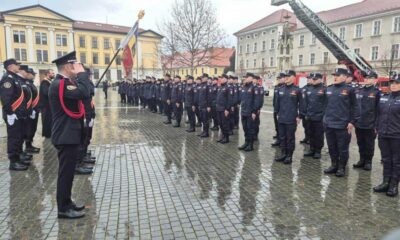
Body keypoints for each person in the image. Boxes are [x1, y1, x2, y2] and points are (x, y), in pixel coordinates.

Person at [48, 51, 91, 219]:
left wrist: (80, 77)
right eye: (75, 65)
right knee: (65, 173)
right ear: (67, 66)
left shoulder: (65, 82)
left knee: (69, 172)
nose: (78, 67)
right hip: (65, 135)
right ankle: (63, 208)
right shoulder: (60, 83)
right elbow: (84, 93)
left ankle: (67, 202)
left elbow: (84, 92)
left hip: (69, 134)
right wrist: (82, 75)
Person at [323, 68, 360, 177]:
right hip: (329, 124)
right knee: (331, 147)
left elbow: (355, 107)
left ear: (344, 77)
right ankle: (334, 165)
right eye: (334, 75)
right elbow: (325, 105)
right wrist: (324, 119)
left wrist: (352, 122)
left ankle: (341, 167)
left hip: (343, 125)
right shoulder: (329, 89)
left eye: (338, 75)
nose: (335, 77)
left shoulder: (350, 90)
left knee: (342, 148)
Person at [373, 73, 400, 197]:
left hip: (397, 136)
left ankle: (394, 185)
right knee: (386, 159)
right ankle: (385, 182)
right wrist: (377, 127)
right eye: (392, 83)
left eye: (397, 83)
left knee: (397, 161)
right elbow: (378, 114)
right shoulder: (384, 97)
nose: (393, 85)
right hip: (383, 134)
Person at [1, 59, 29, 171]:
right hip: (12, 114)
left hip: (18, 114)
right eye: (16, 65)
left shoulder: (15, 78)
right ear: (10, 67)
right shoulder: (7, 79)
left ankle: (17, 158)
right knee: (13, 138)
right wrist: (10, 113)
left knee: (18, 137)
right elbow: (6, 98)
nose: (18, 67)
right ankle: (13, 162)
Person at [353, 71, 380, 171]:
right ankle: (362, 160)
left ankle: (368, 162)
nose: (367, 79)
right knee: (360, 142)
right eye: (366, 77)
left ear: (375, 79)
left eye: (370, 77)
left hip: (370, 124)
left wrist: (376, 125)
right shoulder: (359, 90)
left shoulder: (377, 92)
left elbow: (379, 110)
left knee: (369, 144)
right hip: (359, 122)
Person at [274, 70, 302, 165]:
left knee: (290, 138)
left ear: (294, 77)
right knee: (282, 137)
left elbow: (302, 104)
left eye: (288, 76)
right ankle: (283, 153)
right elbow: (277, 103)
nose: (286, 78)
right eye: (285, 76)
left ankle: (289, 155)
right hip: (281, 117)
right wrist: (277, 113)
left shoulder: (297, 90)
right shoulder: (280, 89)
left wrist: (299, 116)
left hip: (291, 118)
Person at [303, 73, 327, 159]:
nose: (313, 80)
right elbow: (306, 103)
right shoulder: (309, 89)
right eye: (312, 79)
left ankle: (318, 151)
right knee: (310, 133)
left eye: (315, 79)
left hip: (319, 117)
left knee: (319, 135)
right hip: (310, 116)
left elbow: (326, 104)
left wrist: (323, 116)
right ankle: (311, 149)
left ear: (321, 79)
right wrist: (306, 113)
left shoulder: (324, 89)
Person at [238, 73, 261, 152]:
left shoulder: (254, 88)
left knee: (250, 128)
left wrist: (254, 112)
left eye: (247, 77)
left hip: (250, 112)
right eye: (245, 77)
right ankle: (246, 142)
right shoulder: (244, 87)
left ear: (251, 78)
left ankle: (250, 145)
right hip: (244, 111)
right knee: (245, 128)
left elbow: (257, 101)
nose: (246, 78)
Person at [24, 68, 41, 153]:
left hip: (35, 109)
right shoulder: (27, 84)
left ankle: (30, 144)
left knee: (33, 128)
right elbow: (28, 98)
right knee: (29, 129)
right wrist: (31, 109)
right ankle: (28, 146)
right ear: (28, 74)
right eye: (32, 74)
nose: (34, 75)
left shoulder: (31, 84)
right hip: (31, 110)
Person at [39, 69, 55, 138]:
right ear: (48, 74)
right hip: (45, 106)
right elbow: (46, 92)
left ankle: (50, 133)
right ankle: (47, 134)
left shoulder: (49, 82)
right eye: (52, 73)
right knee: (46, 120)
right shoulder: (44, 82)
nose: (53, 74)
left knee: (50, 120)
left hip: (49, 106)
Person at [271, 73, 285, 147]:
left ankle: (281, 141)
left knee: (281, 127)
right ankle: (278, 138)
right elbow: (275, 99)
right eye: (278, 78)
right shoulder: (277, 87)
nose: (279, 79)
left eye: (280, 78)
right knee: (277, 125)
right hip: (276, 109)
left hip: (282, 111)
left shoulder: (284, 87)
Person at [216, 74, 231, 144]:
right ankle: (223, 136)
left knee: (225, 124)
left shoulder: (228, 87)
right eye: (221, 78)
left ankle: (226, 138)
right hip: (219, 108)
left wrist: (227, 109)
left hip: (224, 109)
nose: (221, 79)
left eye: (222, 78)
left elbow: (229, 100)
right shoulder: (220, 87)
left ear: (226, 79)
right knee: (220, 124)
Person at [300, 75, 313, 144]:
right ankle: (306, 137)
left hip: (311, 112)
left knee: (310, 127)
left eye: (309, 78)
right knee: (305, 125)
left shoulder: (313, 88)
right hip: (304, 111)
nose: (308, 79)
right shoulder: (304, 88)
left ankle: (311, 139)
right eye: (307, 78)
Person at [198, 73, 210, 138]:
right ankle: (203, 131)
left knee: (206, 120)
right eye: (201, 77)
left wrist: (208, 106)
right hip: (201, 105)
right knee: (202, 119)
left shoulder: (208, 86)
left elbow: (209, 97)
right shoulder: (201, 85)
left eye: (203, 77)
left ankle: (206, 132)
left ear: (206, 78)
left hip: (205, 106)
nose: (202, 78)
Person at [253, 75, 264, 141]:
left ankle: (255, 135)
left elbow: (260, 99)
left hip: (256, 108)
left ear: (257, 80)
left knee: (256, 122)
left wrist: (259, 108)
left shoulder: (260, 87)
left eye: (254, 79)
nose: (253, 80)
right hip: (251, 108)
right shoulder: (251, 87)